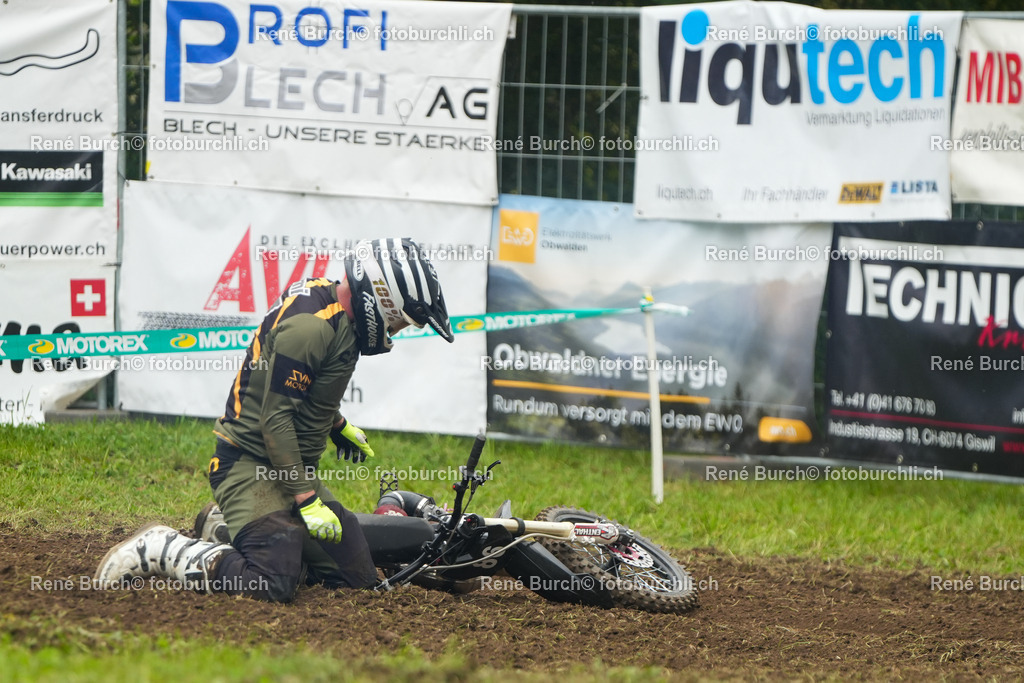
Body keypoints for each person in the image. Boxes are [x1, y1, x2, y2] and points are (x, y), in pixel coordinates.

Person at [95, 238, 454, 601]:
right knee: (270, 583)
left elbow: (306, 389)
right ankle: (163, 547)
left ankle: (229, 532)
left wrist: (337, 425)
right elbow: (275, 420)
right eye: (400, 320)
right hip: (248, 466)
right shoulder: (311, 329)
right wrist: (307, 499)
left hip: (287, 467)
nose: (397, 330)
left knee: (356, 580)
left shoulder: (337, 316)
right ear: (381, 299)